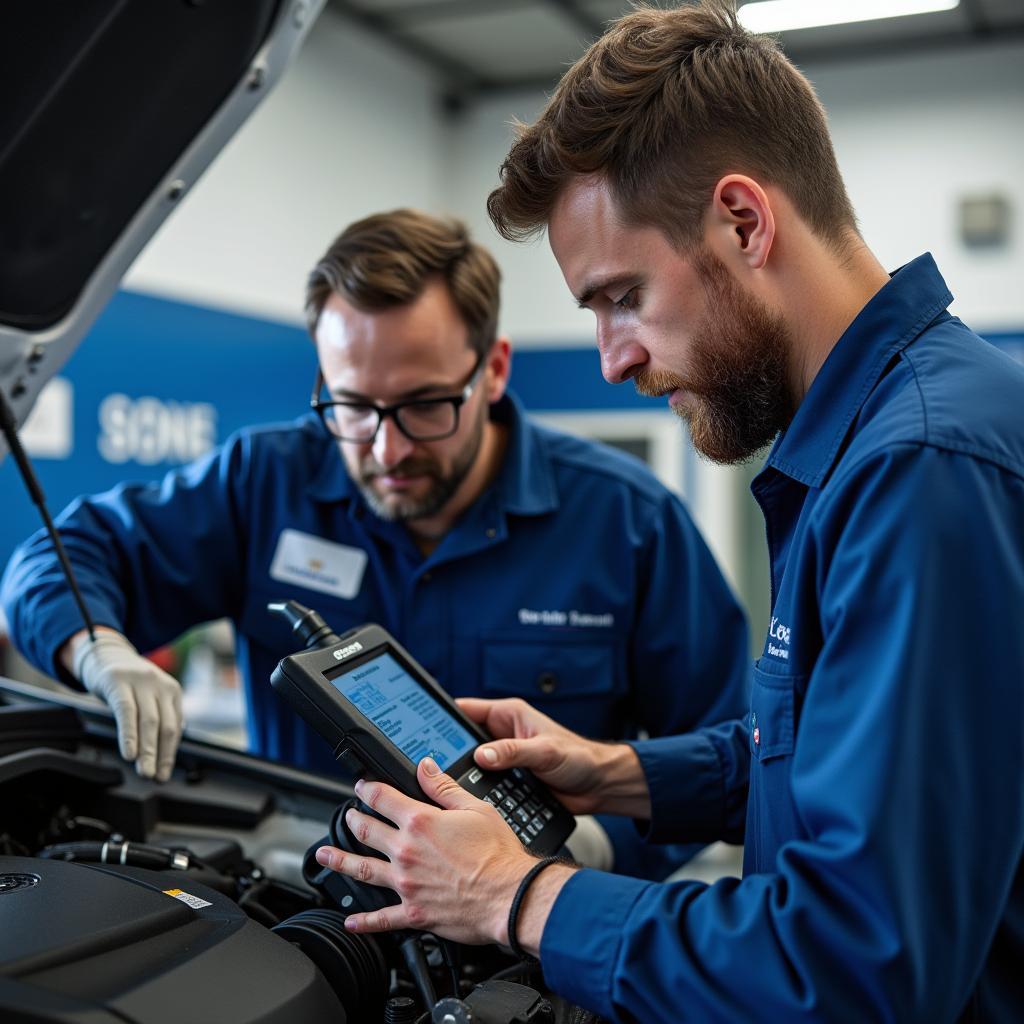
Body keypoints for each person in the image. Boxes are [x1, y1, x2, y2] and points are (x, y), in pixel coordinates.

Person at [308, 5, 1024, 1021]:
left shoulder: (918, 471)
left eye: (619, 297)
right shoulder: (886, 439)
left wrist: (518, 895)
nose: (612, 358)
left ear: (743, 221)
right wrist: (616, 772)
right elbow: (824, 764)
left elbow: (859, 966)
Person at [0, 208, 749, 880]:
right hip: (311, 925)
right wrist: (99, 649)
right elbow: (56, 560)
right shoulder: (263, 481)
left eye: (423, 405)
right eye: (353, 405)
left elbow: (726, 743)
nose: (386, 450)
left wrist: (600, 846)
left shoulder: (627, 519)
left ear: (491, 370)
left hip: (536, 940)